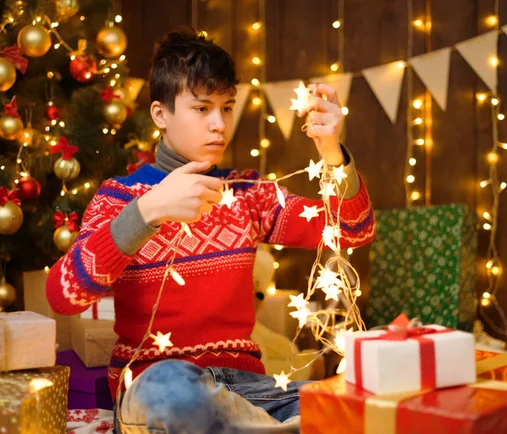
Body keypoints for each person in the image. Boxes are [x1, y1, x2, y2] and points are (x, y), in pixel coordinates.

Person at [46, 28, 375, 434]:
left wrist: (331, 150)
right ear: (160, 114)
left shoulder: (247, 193)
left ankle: (267, 425)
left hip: (250, 392)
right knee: (170, 386)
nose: (219, 124)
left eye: (227, 107)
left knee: (357, 401)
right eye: (202, 109)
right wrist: (147, 212)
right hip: (158, 391)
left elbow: (352, 229)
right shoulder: (120, 198)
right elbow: (63, 295)